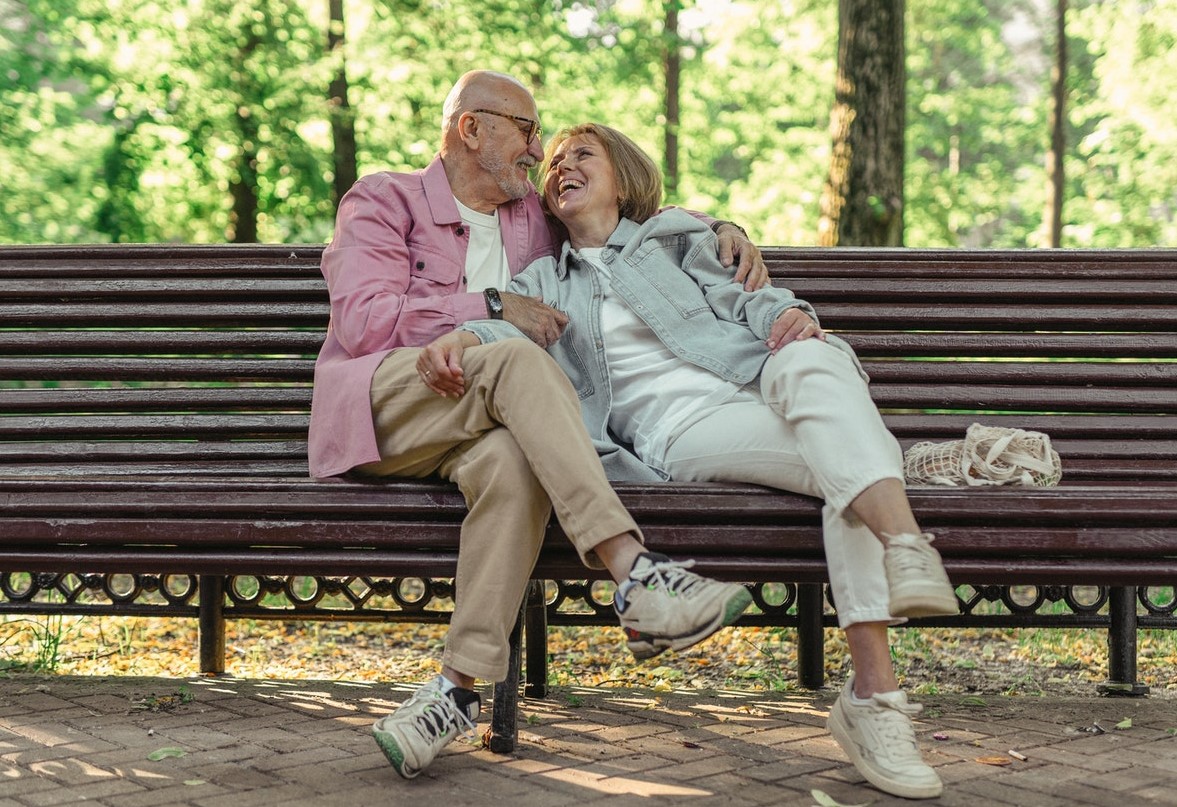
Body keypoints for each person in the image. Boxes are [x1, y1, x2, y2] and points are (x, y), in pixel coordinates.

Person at [418, 123, 960, 800]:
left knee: (818, 356)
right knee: (846, 466)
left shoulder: (676, 241)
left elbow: (749, 299)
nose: (561, 167)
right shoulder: (542, 280)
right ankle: (878, 681)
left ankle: (903, 551)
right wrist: (464, 335)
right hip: (685, 434)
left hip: (763, 384)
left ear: (623, 177)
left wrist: (789, 313)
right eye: (553, 162)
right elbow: (504, 330)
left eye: (582, 155)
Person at [308, 73, 765, 779]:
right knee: (515, 355)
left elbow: (626, 210)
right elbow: (363, 322)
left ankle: (451, 693)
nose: (537, 150)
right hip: (388, 407)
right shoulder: (383, 199)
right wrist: (490, 305)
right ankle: (634, 573)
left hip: (476, 417)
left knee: (516, 467)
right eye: (526, 131)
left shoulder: (529, 213)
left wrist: (718, 228)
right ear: (471, 129)